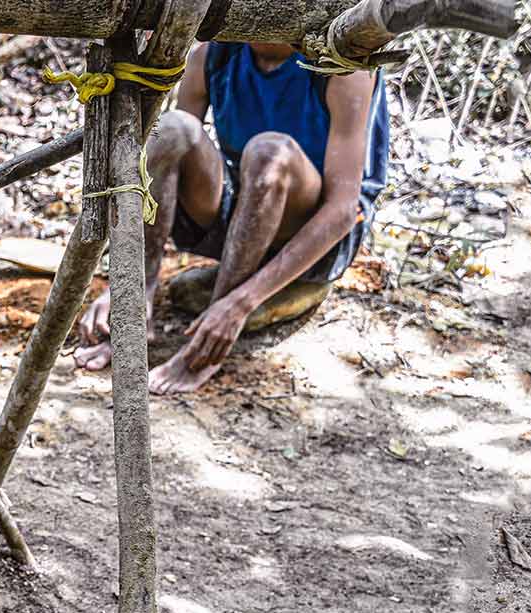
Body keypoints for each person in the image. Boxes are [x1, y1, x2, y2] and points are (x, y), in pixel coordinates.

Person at [74, 39, 390, 393]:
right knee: (173, 127)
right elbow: (161, 162)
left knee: (270, 151)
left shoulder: (343, 67)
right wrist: (126, 281)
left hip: (314, 234)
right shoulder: (213, 55)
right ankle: (135, 308)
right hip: (241, 218)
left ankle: (210, 336)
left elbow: (343, 211)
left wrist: (240, 304)